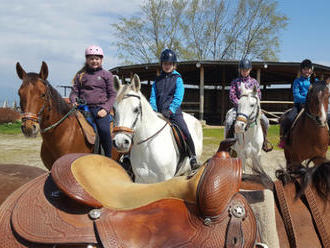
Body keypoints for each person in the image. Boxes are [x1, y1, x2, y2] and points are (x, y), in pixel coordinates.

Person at [149, 49, 199, 169]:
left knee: (185, 131)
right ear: (162, 64)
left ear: (174, 65)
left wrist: (171, 110)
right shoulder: (157, 80)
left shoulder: (177, 79)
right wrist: (154, 110)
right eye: (165, 63)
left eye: (169, 64)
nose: (167, 66)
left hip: (174, 112)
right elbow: (153, 97)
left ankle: (192, 157)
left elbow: (178, 97)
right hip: (159, 112)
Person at [69, 45, 116, 157]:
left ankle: (108, 156)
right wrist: (74, 100)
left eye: (97, 58)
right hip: (82, 109)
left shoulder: (107, 75)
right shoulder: (80, 75)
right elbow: (74, 92)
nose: (94, 61)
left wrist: (105, 109)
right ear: (87, 60)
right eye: (91, 58)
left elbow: (113, 94)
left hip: (100, 109)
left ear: (101, 60)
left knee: (104, 130)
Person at [225, 58, 273, 152]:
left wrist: (252, 105)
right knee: (229, 121)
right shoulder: (235, 82)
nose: (244, 71)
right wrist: (240, 104)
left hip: (252, 109)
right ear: (240, 70)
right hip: (238, 109)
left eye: (246, 69)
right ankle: (228, 145)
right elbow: (232, 95)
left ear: (250, 69)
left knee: (265, 121)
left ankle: (264, 141)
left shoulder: (254, 82)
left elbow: (258, 95)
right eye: (242, 69)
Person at [278, 59, 317, 148]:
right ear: (302, 70)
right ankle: (284, 138)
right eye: (305, 69)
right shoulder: (297, 81)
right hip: (299, 106)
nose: (307, 71)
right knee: (288, 119)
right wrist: (308, 99)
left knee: (323, 118)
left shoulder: (315, 82)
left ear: (311, 70)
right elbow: (296, 96)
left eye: (308, 69)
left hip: (312, 106)